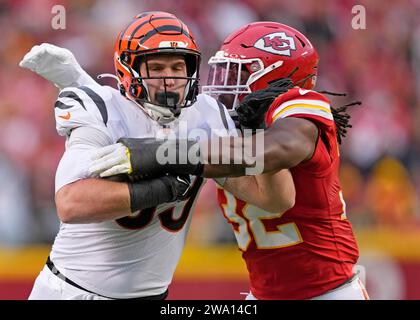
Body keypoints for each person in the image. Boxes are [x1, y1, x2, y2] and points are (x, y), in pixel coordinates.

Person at [20, 13, 295, 300]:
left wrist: (255, 135)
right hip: (73, 293)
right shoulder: (102, 110)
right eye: (157, 67)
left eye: (178, 67)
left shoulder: (208, 116)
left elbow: (275, 199)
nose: (170, 79)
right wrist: (163, 188)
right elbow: (71, 204)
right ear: (130, 70)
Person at [90, 22, 369, 300]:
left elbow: (276, 150)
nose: (222, 83)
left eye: (237, 71)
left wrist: (162, 153)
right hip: (263, 294)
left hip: (329, 292)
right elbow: (139, 114)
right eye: (222, 71)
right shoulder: (231, 123)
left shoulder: (300, 104)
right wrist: (78, 82)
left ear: (273, 76)